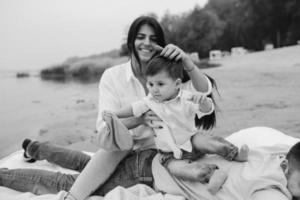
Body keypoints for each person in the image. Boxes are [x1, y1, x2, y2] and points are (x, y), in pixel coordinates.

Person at [1, 15, 216, 200]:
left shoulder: (169, 75)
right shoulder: (113, 77)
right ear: (131, 41)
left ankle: (35, 147)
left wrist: (187, 61)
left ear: (161, 44)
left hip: (150, 155)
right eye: (141, 37)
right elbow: (105, 126)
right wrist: (141, 118)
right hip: (120, 149)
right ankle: (25, 157)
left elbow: (204, 91)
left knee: (84, 162)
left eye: (153, 39)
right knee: (70, 181)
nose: (147, 43)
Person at [0, 129, 300, 200]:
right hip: (145, 175)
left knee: (83, 162)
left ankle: (37, 147)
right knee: (65, 186)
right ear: (286, 168)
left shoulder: (273, 153)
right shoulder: (273, 190)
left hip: (155, 157)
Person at [109, 55, 249, 193]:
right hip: (170, 155)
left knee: (208, 140)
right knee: (180, 170)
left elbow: (206, 110)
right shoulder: (149, 102)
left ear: (176, 84)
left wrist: (203, 101)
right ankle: (212, 174)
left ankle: (234, 153)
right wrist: (115, 113)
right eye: (150, 84)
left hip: (191, 141)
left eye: (160, 84)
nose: (154, 89)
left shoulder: (186, 98)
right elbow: (132, 108)